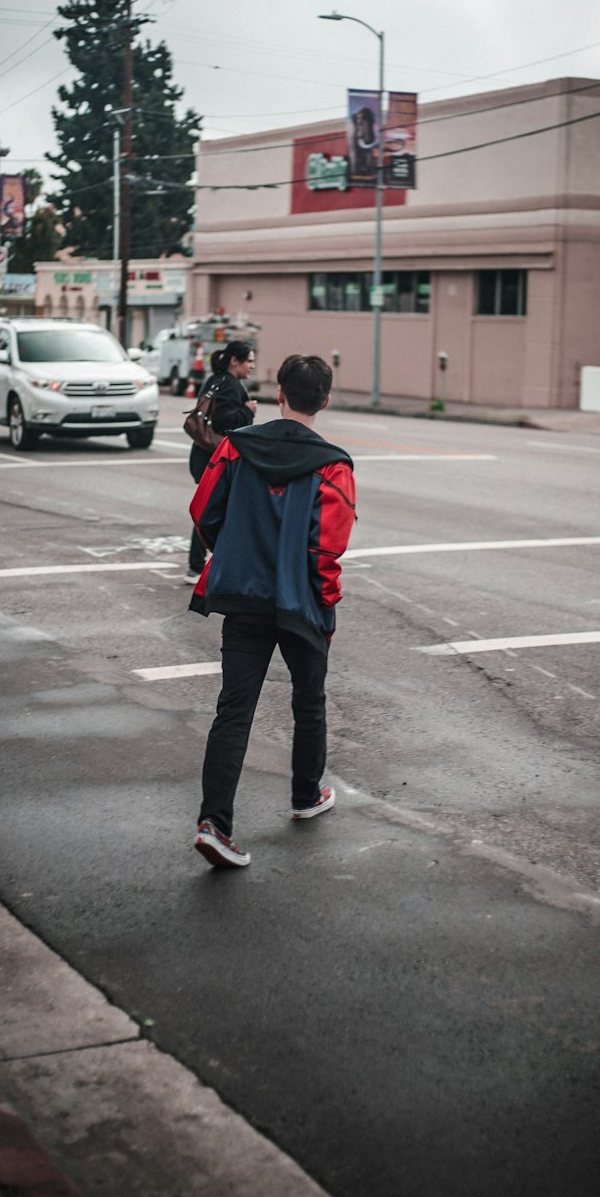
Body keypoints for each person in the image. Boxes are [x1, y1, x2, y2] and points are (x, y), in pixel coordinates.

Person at [188, 354, 356, 869]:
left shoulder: (236, 447)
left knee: (233, 709)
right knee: (309, 702)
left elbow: (202, 511)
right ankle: (306, 796)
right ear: (324, 400)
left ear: (279, 392)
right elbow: (326, 549)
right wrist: (325, 602)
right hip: (300, 603)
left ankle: (215, 823)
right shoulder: (334, 464)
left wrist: (234, 551)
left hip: (243, 595)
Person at [186, 341, 258, 582]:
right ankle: (200, 567)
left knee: (214, 510)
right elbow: (224, 423)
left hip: (202, 456)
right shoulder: (231, 385)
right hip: (217, 460)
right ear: (234, 361)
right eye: (248, 360)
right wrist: (248, 410)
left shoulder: (214, 379)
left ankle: (200, 566)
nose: (252, 365)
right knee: (218, 512)